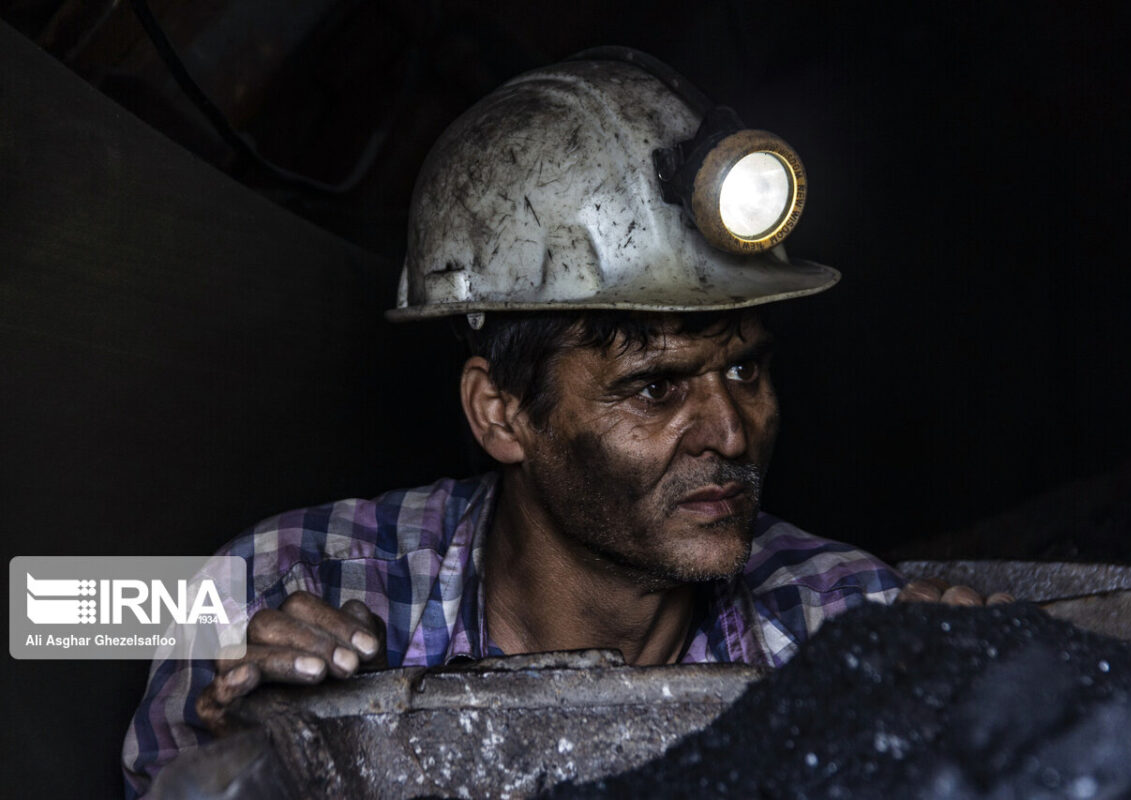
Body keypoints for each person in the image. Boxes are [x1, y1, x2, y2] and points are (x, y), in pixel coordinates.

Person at [121, 48, 1000, 797]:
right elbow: (56, 630)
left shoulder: (837, 627)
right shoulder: (279, 588)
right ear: (501, 415)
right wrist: (248, 757)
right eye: (655, 389)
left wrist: (983, 709)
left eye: (745, 368)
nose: (730, 435)